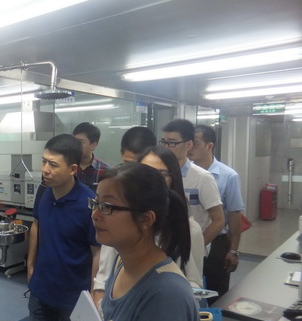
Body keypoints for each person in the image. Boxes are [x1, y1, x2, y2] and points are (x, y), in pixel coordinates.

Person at [57, 163, 201, 321]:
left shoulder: (165, 294)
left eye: (107, 207)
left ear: (145, 219)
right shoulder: (123, 265)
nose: (95, 215)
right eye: (95, 203)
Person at [26, 133, 101, 321]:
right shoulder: (43, 192)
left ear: (72, 169)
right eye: (44, 161)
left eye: (53, 164)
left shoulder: (89, 203)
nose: (45, 169)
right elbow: (37, 225)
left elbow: (96, 252)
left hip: (75, 298)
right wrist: (30, 265)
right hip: (41, 291)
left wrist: (93, 295)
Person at [92, 145, 204, 305]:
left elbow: (194, 285)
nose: (149, 179)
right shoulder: (116, 228)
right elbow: (102, 281)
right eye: (143, 171)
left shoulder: (189, 229)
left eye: (161, 174)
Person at [189, 124, 245, 300]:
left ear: (209, 146)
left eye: (195, 143)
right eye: (189, 143)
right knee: (188, 289)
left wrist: (233, 250)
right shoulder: (184, 173)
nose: (190, 147)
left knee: (216, 292)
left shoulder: (228, 176)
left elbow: (234, 215)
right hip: (188, 241)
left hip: (217, 243)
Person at [161, 119, 224, 247]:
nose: (166, 147)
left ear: (189, 145)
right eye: (164, 142)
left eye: (172, 143)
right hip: (162, 246)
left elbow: (218, 220)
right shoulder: (159, 173)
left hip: (190, 249)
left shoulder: (203, 178)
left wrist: (196, 247)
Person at [72, 122, 110, 192]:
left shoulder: (105, 171)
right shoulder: (67, 167)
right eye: (74, 141)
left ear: (93, 145)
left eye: (80, 142)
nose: (75, 145)